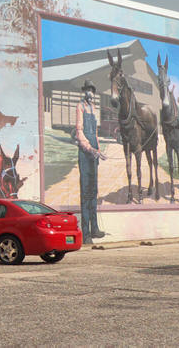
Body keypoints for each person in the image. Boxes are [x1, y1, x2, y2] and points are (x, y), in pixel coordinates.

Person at [75, 79, 107, 244]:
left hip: (94, 152)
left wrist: (99, 150)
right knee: (86, 192)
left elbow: (94, 133)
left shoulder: (93, 108)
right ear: (84, 91)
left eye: (92, 91)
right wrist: (89, 148)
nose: (90, 93)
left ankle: (95, 228)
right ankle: (86, 233)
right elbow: (79, 132)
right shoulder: (80, 107)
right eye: (88, 90)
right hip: (85, 153)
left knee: (94, 190)